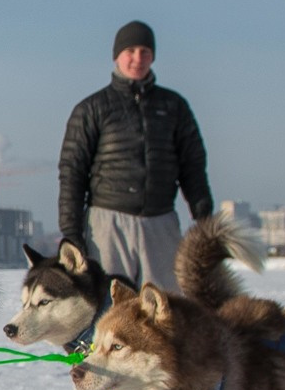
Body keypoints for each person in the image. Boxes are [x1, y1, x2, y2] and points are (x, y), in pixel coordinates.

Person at [57, 20, 213, 290]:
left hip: (160, 222)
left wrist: (204, 217)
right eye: (130, 51)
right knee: (111, 303)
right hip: (107, 225)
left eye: (145, 52)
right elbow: (72, 171)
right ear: (117, 55)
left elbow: (193, 166)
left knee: (167, 304)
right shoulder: (91, 109)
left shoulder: (174, 106)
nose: (138, 59)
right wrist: (71, 231)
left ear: (153, 56)